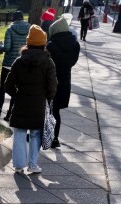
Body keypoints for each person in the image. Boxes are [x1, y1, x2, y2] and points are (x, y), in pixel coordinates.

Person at [5, 25, 57, 174]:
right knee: (35, 134)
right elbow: (52, 86)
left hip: (21, 103)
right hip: (39, 104)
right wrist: (46, 98)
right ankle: (33, 164)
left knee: (20, 133)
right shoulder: (48, 62)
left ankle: (19, 165)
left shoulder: (19, 61)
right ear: (43, 43)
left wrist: (17, 95)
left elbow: (8, 85)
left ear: (28, 43)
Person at [47, 16, 79, 148]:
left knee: (47, 110)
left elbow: (48, 64)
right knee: (56, 112)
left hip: (51, 81)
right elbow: (72, 62)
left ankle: (43, 136)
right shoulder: (75, 45)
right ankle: (55, 138)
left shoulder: (51, 45)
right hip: (65, 82)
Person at [0, 10, 28, 122]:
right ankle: (10, 113)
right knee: (16, 89)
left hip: (8, 63)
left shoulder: (10, 29)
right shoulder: (30, 29)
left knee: (3, 88)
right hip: (22, 63)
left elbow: (7, 47)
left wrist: (0, 47)